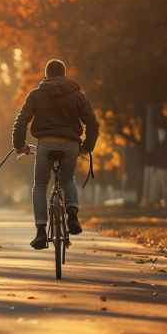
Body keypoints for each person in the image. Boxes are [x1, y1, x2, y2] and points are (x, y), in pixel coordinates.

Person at [12, 59, 100, 249]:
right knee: (68, 179)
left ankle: (41, 231)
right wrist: (87, 146)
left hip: (46, 143)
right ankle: (73, 215)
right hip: (71, 145)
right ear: (65, 76)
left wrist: (19, 144)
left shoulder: (36, 94)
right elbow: (93, 124)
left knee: (40, 184)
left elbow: (21, 121)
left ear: (45, 76)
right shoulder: (79, 96)